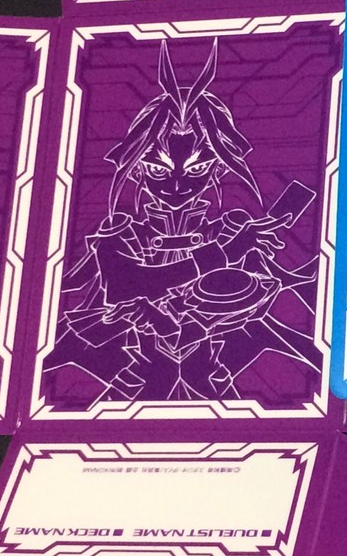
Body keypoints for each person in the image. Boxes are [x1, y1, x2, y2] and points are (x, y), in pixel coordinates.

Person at [47, 40, 320, 403]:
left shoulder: (229, 229)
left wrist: (256, 261)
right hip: (137, 368)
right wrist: (225, 253)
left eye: (196, 168)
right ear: (137, 168)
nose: (177, 185)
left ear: (218, 168)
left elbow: (268, 291)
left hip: (211, 368)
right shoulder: (122, 232)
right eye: (159, 169)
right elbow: (127, 284)